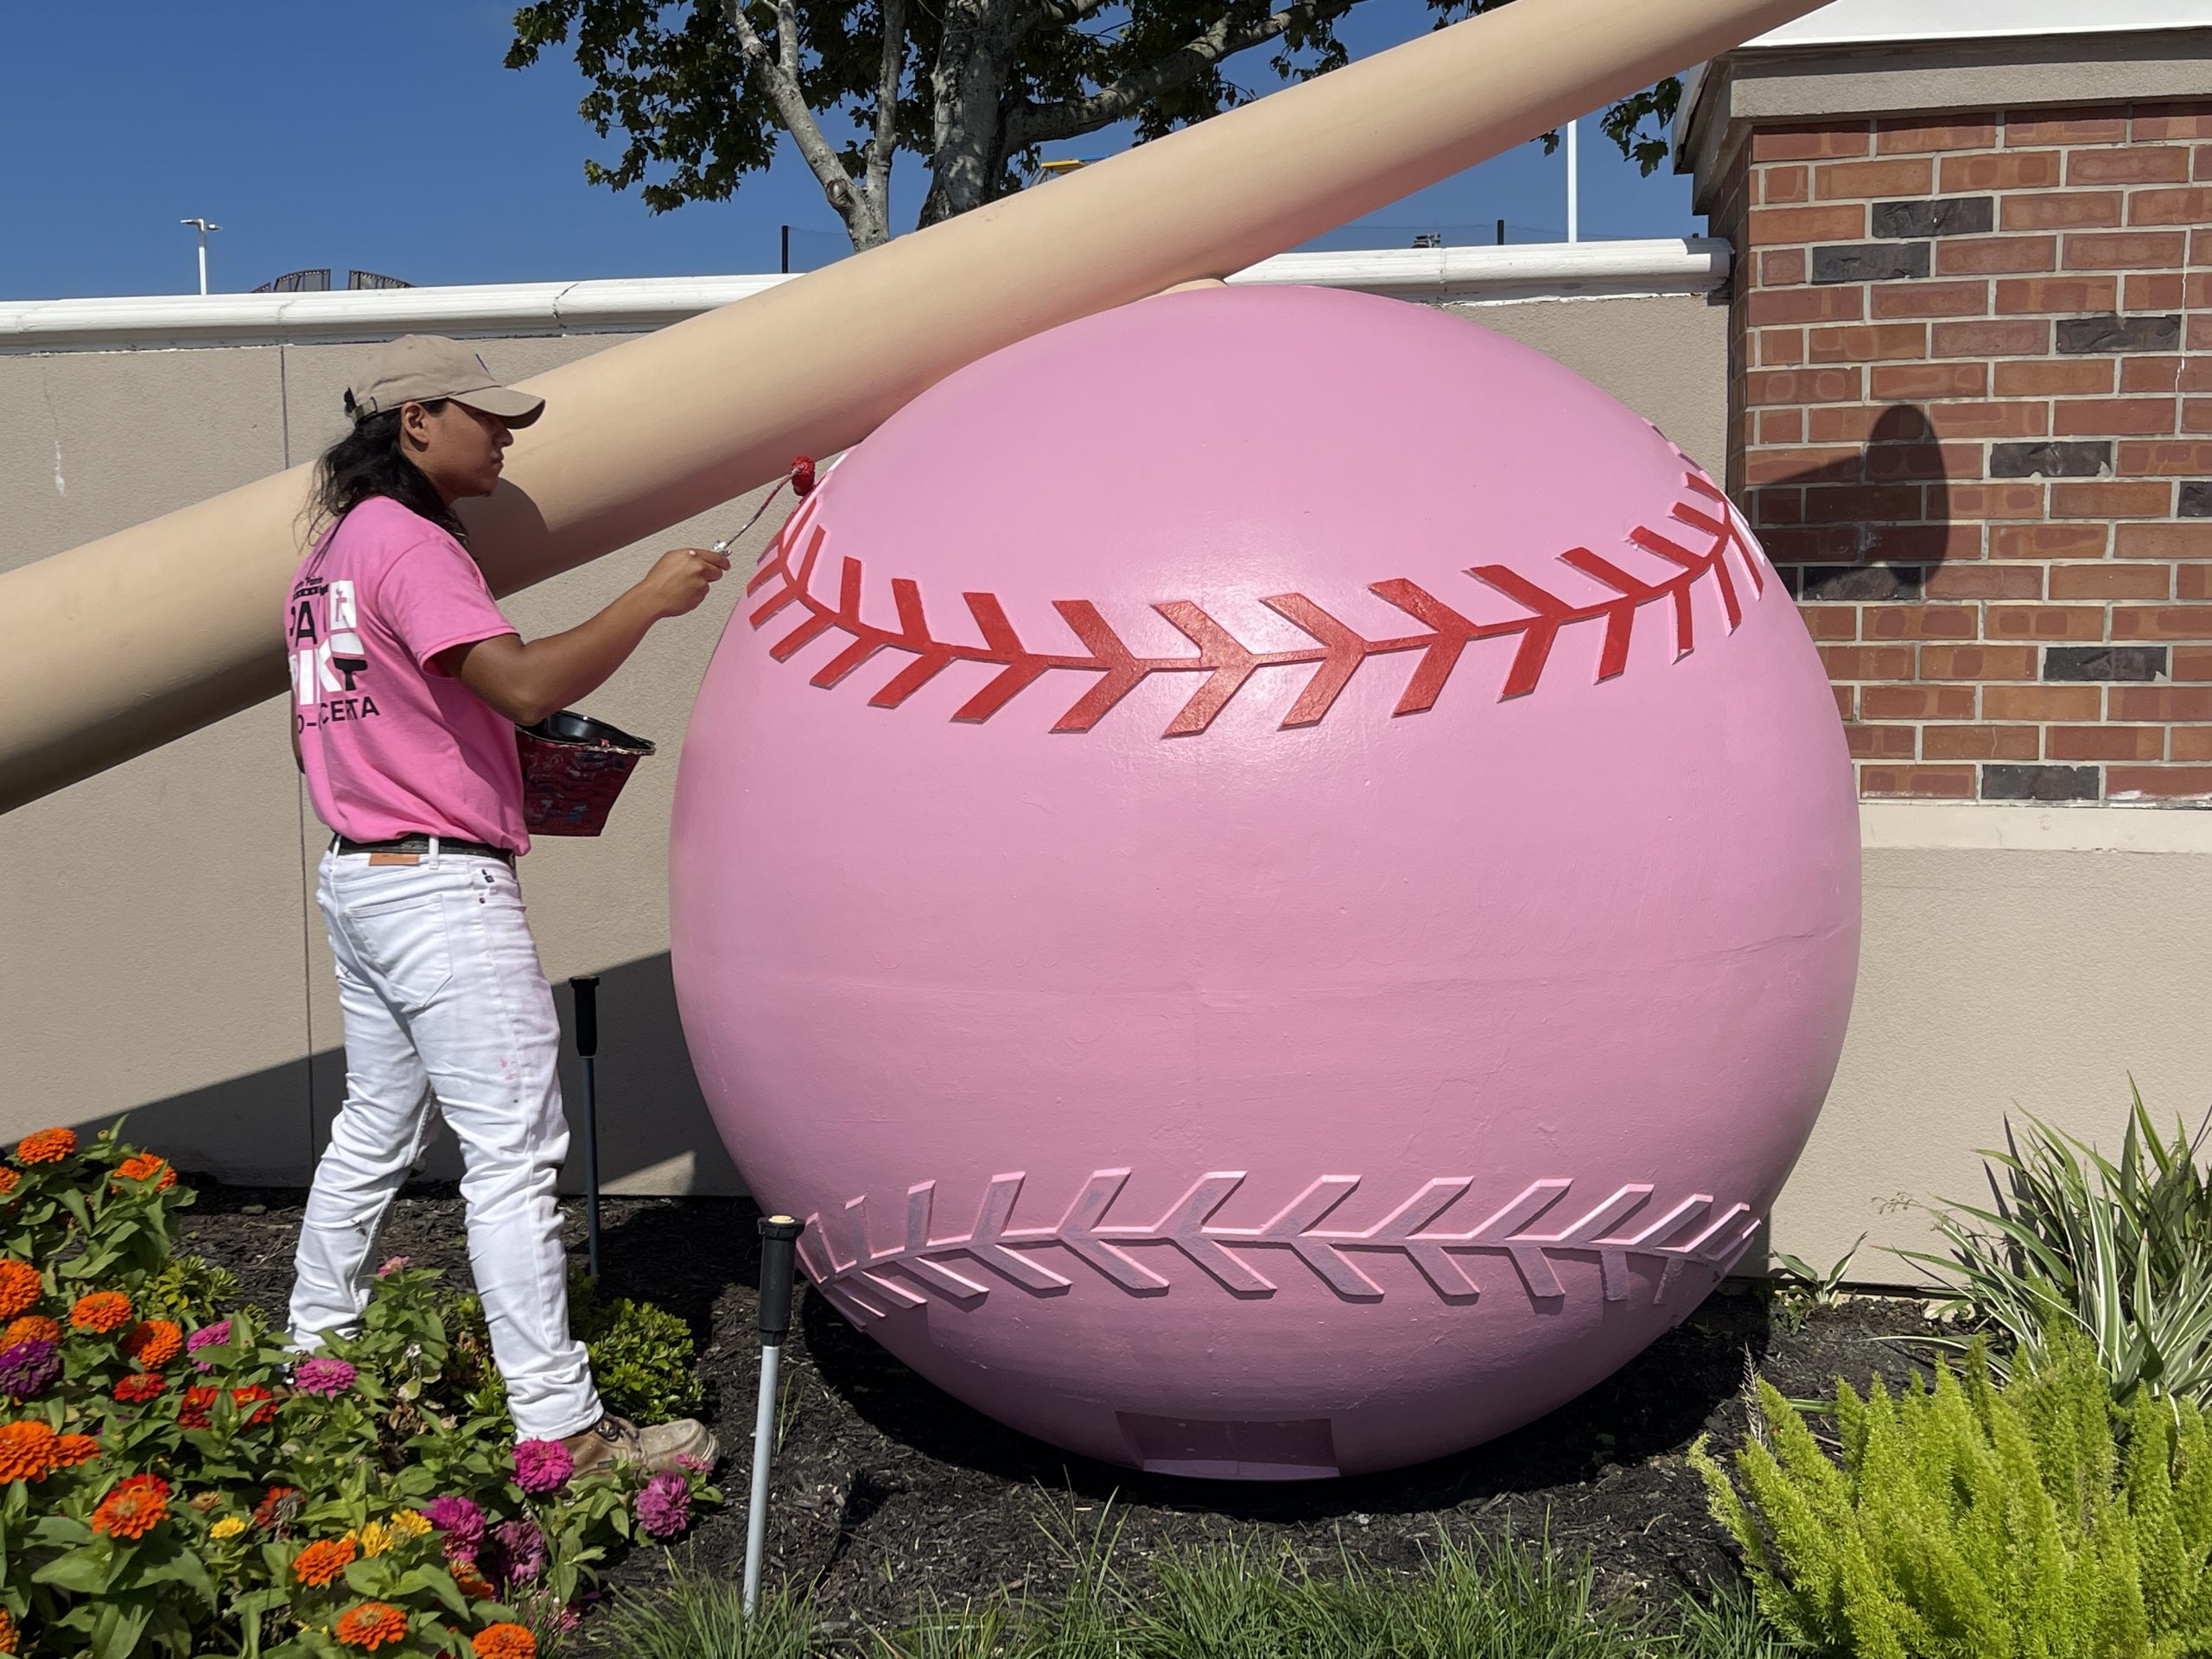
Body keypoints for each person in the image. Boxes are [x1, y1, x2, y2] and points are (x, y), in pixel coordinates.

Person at [282, 334, 727, 1474]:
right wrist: (650, 600)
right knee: (516, 1151)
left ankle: (310, 1366)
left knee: (376, 1126)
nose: (508, 433)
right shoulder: (415, 543)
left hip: (361, 874)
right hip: (436, 888)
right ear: (415, 420)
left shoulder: (332, 553)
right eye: (487, 416)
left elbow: (395, 719)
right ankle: (562, 1427)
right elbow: (523, 686)